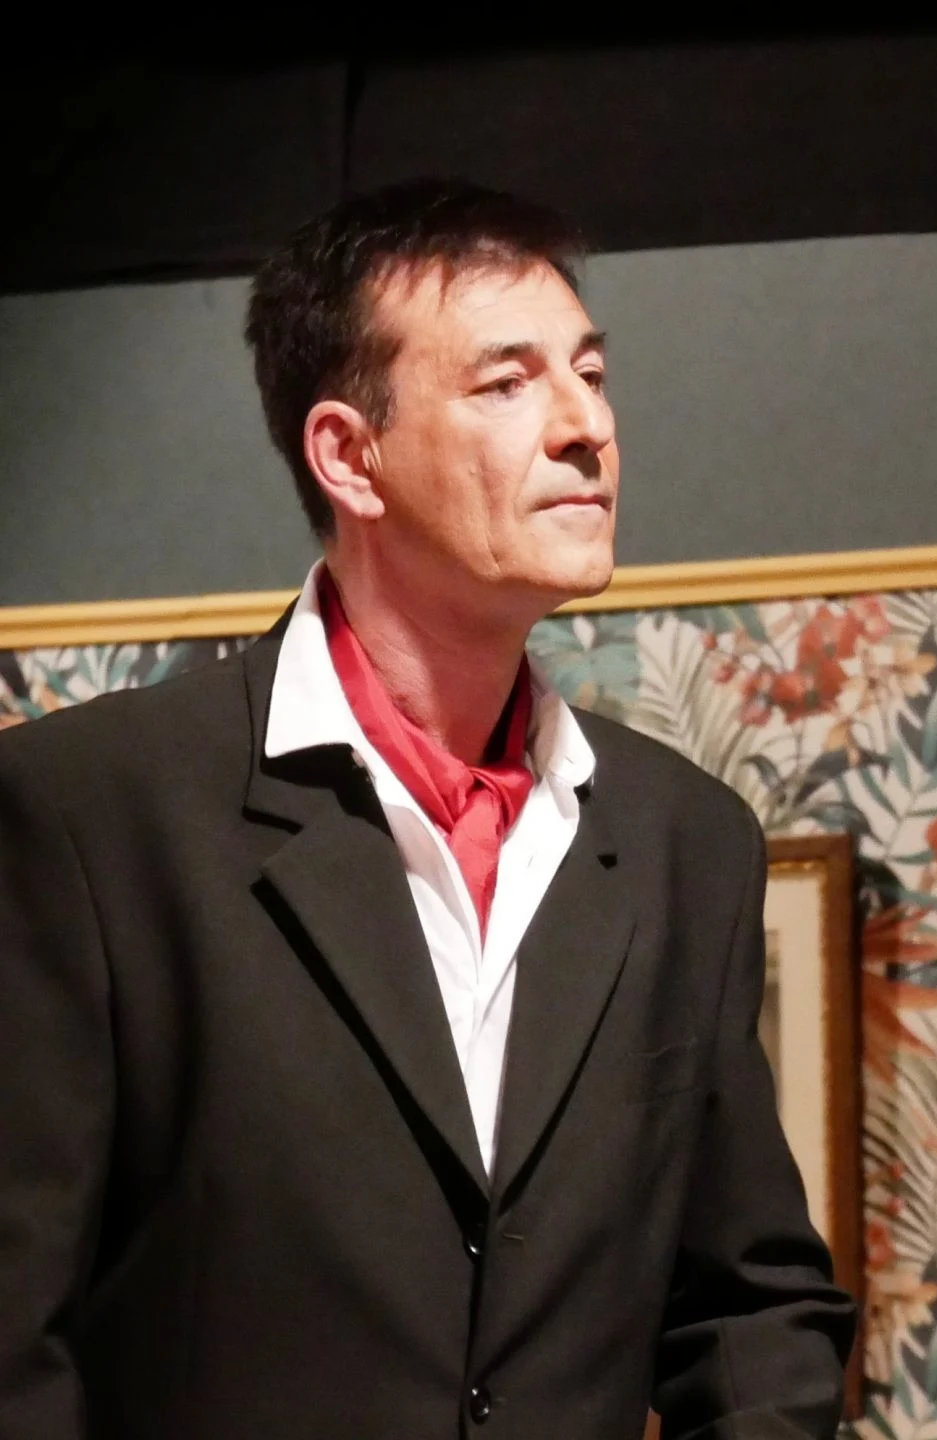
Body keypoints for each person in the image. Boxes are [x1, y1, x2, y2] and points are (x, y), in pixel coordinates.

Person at [0, 179, 855, 1438]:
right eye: (508, 383)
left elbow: (749, 1310)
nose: (586, 426)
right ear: (349, 456)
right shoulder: (89, 815)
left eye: (592, 373)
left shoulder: (687, 843)